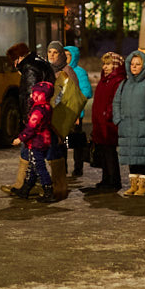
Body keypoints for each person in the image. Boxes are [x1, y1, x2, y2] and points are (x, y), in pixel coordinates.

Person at [0, 42, 56, 196]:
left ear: (18, 58)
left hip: (35, 117)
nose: (14, 65)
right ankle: (25, 185)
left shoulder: (29, 68)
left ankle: (26, 185)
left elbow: (29, 95)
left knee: (31, 151)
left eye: (14, 61)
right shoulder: (39, 61)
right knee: (37, 152)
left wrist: (28, 118)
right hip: (45, 114)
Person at [113, 50, 145, 197]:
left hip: (144, 128)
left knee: (144, 157)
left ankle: (143, 185)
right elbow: (116, 102)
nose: (134, 67)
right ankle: (133, 185)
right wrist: (118, 119)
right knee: (132, 156)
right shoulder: (124, 84)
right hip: (127, 127)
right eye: (132, 64)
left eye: (138, 64)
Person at [46, 40, 85, 197]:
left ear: (61, 54)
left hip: (63, 115)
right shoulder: (47, 70)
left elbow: (74, 96)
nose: (52, 55)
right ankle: (56, 180)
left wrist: (74, 117)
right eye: (50, 52)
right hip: (49, 115)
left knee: (59, 148)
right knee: (51, 148)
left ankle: (61, 181)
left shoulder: (68, 71)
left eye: (55, 52)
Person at [10, 81, 60, 203]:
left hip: (36, 142)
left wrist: (20, 138)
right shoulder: (47, 107)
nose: (31, 95)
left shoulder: (38, 110)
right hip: (44, 141)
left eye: (34, 93)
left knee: (39, 167)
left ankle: (48, 190)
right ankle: (25, 189)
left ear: (40, 95)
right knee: (33, 166)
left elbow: (31, 127)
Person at [90, 52, 126, 191]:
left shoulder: (118, 80)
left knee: (110, 152)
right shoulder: (104, 79)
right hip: (101, 123)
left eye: (108, 64)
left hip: (109, 123)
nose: (105, 67)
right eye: (104, 64)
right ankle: (106, 179)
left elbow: (116, 101)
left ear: (116, 65)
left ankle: (114, 181)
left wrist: (107, 114)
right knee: (104, 152)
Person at [64, 46, 93, 178]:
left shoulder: (79, 72)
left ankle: (78, 168)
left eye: (68, 55)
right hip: (61, 113)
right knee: (61, 143)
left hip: (75, 112)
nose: (65, 58)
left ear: (73, 57)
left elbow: (86, 92)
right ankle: (62, 168)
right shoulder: (60, 70)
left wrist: (74, 101)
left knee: (76, 143)